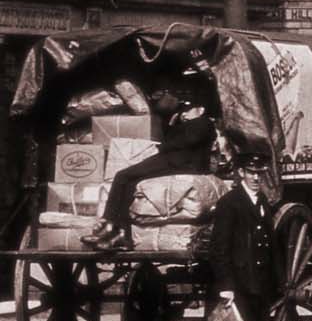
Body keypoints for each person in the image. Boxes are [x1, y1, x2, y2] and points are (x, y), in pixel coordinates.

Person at [84, 87, 218, 251]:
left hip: (181, 163)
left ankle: (109, 223)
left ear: (201, 109)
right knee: (131, 181)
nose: (185, 112)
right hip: (177, 161)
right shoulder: (190, 124)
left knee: (122, 175)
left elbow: (186, 140)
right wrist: (174, 124)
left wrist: (164, 145)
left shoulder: (203, 123)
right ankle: (120, 233)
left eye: (189, 109)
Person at [207, 152, 277, 321]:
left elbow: (271, 244)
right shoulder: (229, 203)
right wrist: (226, 285)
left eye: (259, 173)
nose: (256, 178)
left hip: (261, 282)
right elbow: (218, 248)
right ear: (241, 173)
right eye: (251, 172)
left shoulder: (262, 200)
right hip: (240, 284)